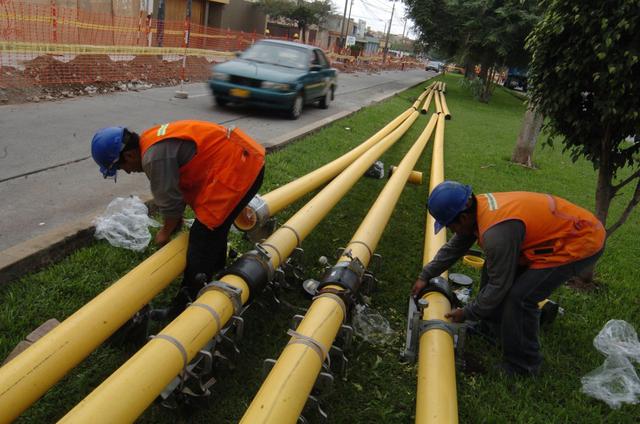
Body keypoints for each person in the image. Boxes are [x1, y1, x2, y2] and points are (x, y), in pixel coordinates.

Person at [412, 181, 606, 376]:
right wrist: (425, 275)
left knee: (521, 297)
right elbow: (455, 247)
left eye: (450, 226)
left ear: (462, 218)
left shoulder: (496, 233)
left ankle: (524, 365)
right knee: (493, 265)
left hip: (579, 242)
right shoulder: (477, 210)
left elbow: (499, 286)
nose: (453, 231)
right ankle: (491, 327)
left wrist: (468, 312)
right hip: (557, 233)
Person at [91, 120, 265, 319]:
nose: (129, 171)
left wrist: (165, 233)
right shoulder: (150, 138)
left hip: (239, 168)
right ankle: (217, 270)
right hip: (245, 158)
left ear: (129, 155)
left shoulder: (152, 158)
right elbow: (177, 187)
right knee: (216, 229)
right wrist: (174, 221)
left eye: (123, 167)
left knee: (202, 238)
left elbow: (171, 206)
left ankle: (184, 308)